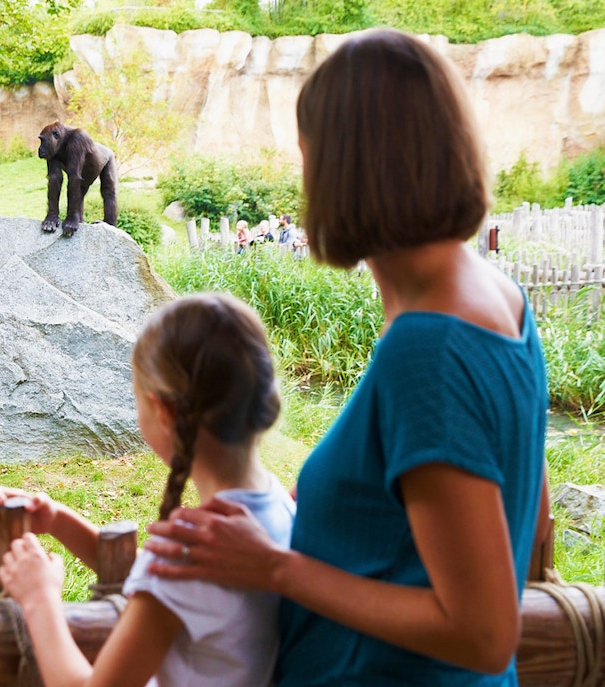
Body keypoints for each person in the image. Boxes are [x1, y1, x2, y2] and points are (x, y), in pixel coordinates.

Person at [144, 28, 548, 687]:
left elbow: (484, 632)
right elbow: (516, 519)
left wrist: (272, 566)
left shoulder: (429, 347)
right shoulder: (502, 302)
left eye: (308, 157)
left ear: (346, 167)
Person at [0, 293, 296, 687]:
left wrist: (39, 599)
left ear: (164, 412)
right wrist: (60, 521)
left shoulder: (187, 557)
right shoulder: (277, 512)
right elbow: (189, 595)